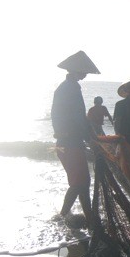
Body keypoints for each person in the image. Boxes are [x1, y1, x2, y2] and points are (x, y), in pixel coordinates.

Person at [51, 50, 100, 226]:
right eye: (84, 71)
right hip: (70, 143)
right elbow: (78, 117)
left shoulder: (66, 87)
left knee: (79, 182)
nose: (86, 74)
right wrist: (91, 139)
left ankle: (66, 216)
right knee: (81, 183)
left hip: (66, 143)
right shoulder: (70, 88)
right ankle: (89, 219)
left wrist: (88, 137)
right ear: (77, 71)